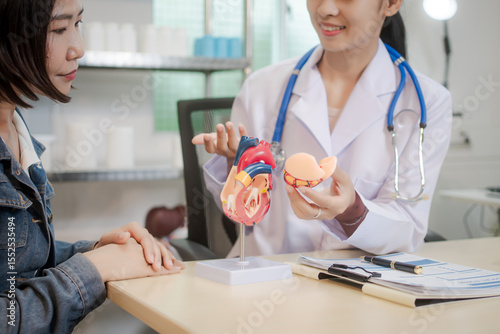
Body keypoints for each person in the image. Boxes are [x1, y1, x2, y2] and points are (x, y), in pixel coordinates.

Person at [193, 0, 452, 258]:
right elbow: (240, 213)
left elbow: (408, 229)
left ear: (391, 4)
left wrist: (353, 211)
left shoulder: (426, 102)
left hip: (357, 284)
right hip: (264, 273)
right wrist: (235, 166)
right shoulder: (262, 87)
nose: (325, 9)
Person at [0, 0, 184, 332]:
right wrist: (92, 270)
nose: (78, 49)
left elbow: (17, 265)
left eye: (77, 25)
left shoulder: (15, 127)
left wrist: (98, 250)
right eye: (58, 29)